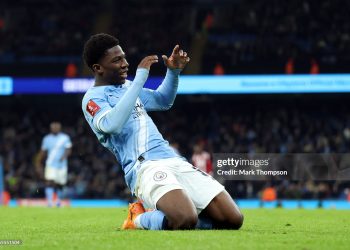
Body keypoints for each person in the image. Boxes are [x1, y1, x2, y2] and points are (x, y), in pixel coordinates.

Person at [81, 33, 243, 230]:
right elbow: (111, 125)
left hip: (173, 159)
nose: (125, 63)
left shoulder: (128, 87)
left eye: (123, 57)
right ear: (98, 68)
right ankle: (138, 219)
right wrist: (140, 78)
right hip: (144, 167)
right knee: (184, 220)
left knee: (232, 219)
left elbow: (162, 100)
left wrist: (173, 73)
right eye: (116, 60)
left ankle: (171, 214)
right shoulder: (92, 98)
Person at [37, 122, 72, 207]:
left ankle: (58, 201)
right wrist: (38, 162)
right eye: (53, 127)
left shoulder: (65, 138)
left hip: (62, 165)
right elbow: (43, 152)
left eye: (57, 127)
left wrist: (64, 157)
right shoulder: (47, 139)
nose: (55, 129)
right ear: (51, 128)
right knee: (49, 181)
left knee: (60, 184)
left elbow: (69, 149)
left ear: (60, 128)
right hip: (50, 164)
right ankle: (49, 202)